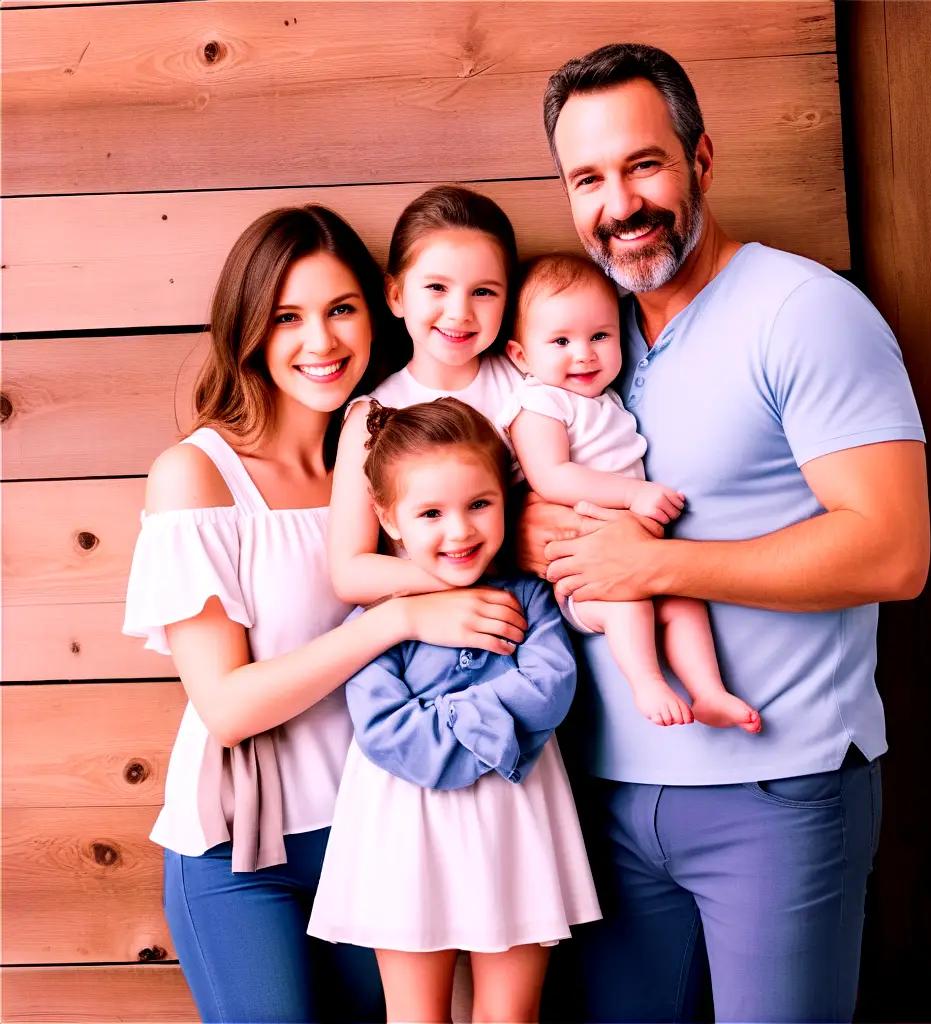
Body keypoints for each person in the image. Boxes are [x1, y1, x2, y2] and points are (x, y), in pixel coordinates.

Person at [523, 44, 930, 1023]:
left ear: (700, 158)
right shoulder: (590, 337)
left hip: (779, 794)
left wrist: (654, 561)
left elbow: (892, 550)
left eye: (643, 164)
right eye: (588, 179)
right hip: (611, 792)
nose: (619, 203)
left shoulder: (806, 313)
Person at [122, 206, 528, 1024]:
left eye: (340, 310)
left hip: (385, 829)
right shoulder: (197, 477)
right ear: (247, 328)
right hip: (244, 855)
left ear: (375, 313)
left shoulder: (395, 461)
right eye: (287, 317)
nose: (322, 341)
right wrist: (396, 620)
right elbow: (227, 706)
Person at [308, 398, 601, 1024]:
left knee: (511, 1014)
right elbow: (388, 732)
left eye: (479, 504)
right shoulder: (380, 620)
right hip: (405, 820)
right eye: (431, 513)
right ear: (389, 518)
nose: (460, 532)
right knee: (415, 1015)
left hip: (515, 815)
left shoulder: (527, 597)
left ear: (505, 497)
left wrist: (446, 717)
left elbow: (550, 684)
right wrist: (487, 725)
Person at [503, 252, 760, 732]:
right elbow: (552, 476)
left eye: (600, 336)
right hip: (584, 579)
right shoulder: (539, 403)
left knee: (684, 600)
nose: (584, 353)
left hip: (635, 559)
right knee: (631, 603)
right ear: (522, 356)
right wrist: (632, 495)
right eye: (560, 341)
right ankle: (647, 682)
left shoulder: (605, 399)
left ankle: (708, 691)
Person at [328, 184, 524, 608]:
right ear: (396, 295)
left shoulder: (528, 389)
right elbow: (349, 572)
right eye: (437, 287)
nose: (459, 312)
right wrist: (455, 576)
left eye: (484, 291)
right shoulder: (370, 417)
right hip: (426, 629)